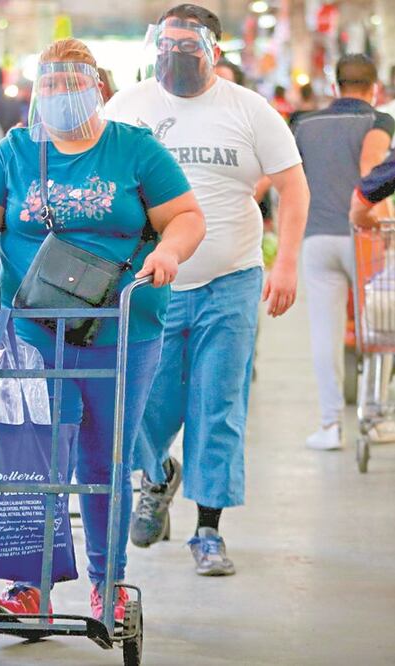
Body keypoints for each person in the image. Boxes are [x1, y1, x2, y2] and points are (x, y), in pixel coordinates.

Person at [0, 38, 205, 620]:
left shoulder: (135, 149)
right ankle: (28, 583)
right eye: (50, 85)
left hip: (122, 328)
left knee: (102, 458)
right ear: (36, 92)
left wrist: (168, 254)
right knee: (35, 456)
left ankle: (106, 582)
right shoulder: (14, 150)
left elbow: (187, 217)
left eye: (72, 83)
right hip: (33, 329)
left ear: (97, 87)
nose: (61, 95)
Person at [104, 4, 309, 576]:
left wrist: (286, 262)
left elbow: (294, 189)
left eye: (186, 47)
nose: (173, 56)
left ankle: (208, 532)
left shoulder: (248, 110)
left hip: (231, 281)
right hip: (152, 285)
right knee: (143, 403)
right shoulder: (130, 106)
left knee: (216, 406)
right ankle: (158, 473)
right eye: (164, 46)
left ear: (211, 50)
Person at [293, 54, 394, 450]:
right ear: (375, 89)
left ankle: (330, 425)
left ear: (334, 87)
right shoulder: (379, 122)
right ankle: (373, 416)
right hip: (364, 237)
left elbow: (281, 178)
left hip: (317, 238)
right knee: (377, 330)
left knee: (325, 332)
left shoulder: (303, 124)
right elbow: (372, 175)